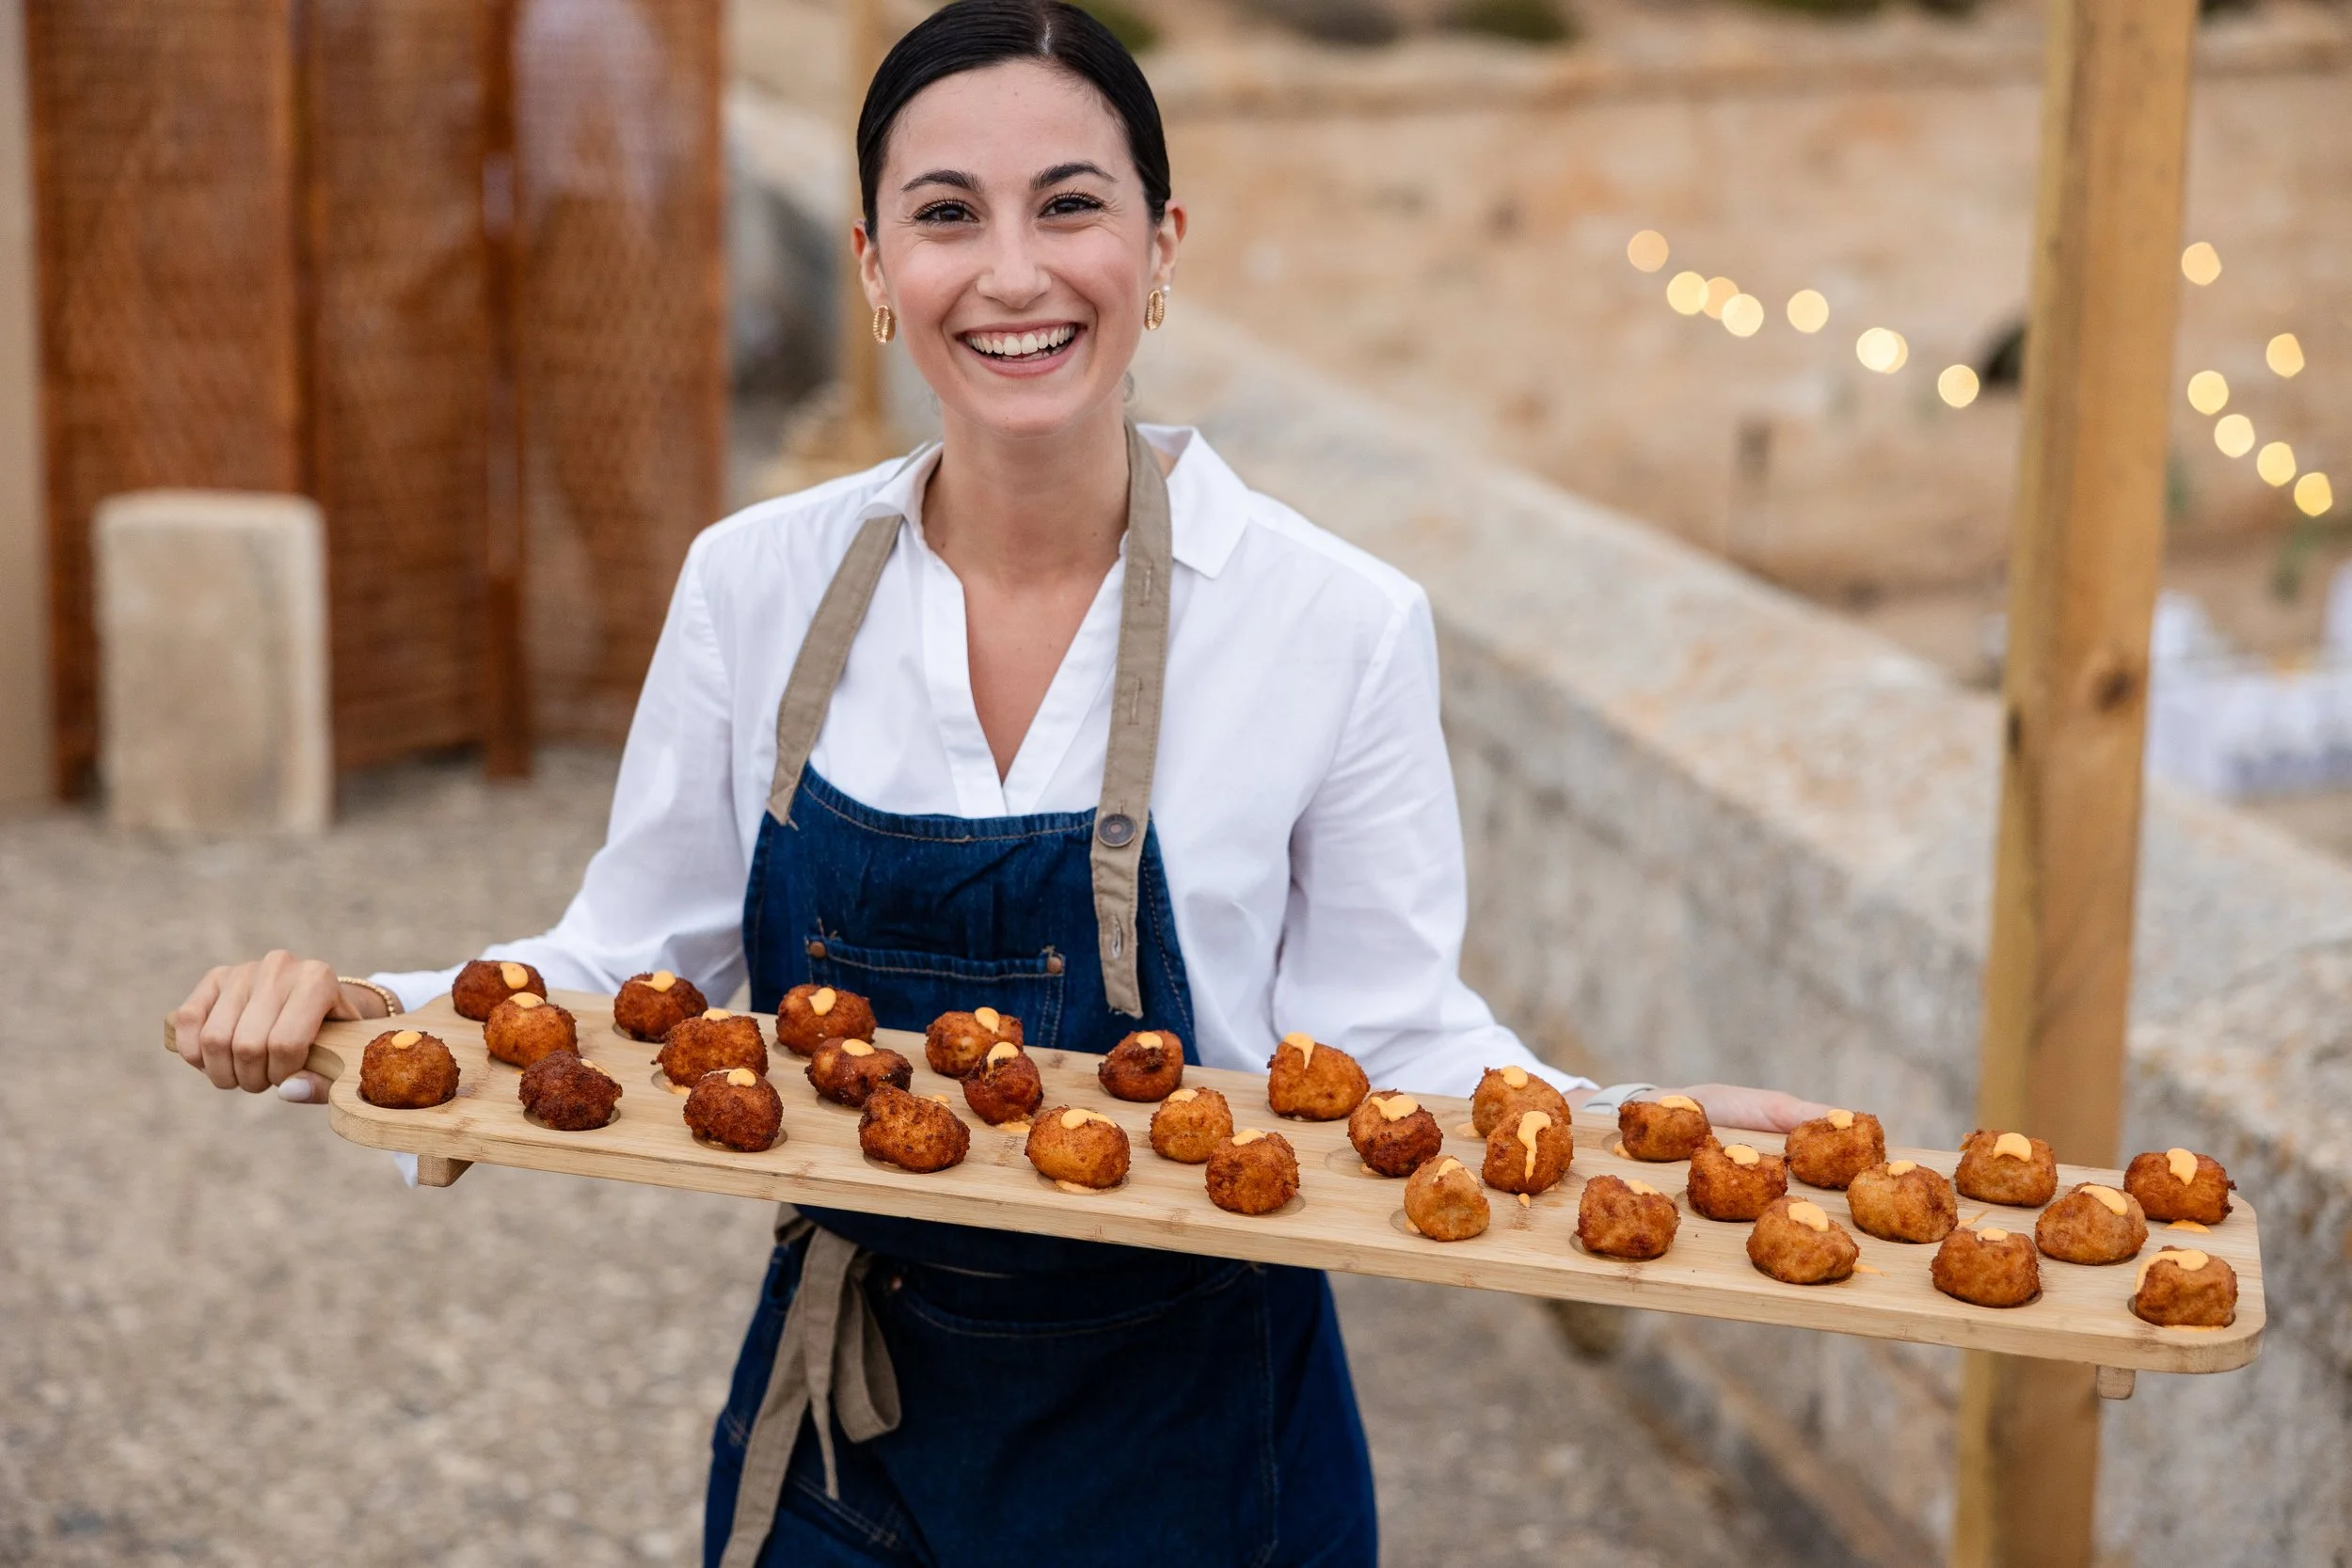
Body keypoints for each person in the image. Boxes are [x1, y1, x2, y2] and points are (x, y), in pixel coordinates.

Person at [170, 5, 1829, 1563]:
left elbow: (1384, 1038)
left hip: (1199, 1447)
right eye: (948, 214)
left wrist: (1640, 1140)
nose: (1013, 272)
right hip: (849, 1433)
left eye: (1072, 206)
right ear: (877, 266)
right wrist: (353, 1016)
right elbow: (636, 981)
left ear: (1164, 249)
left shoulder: (1338, 622)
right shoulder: (754, 584)